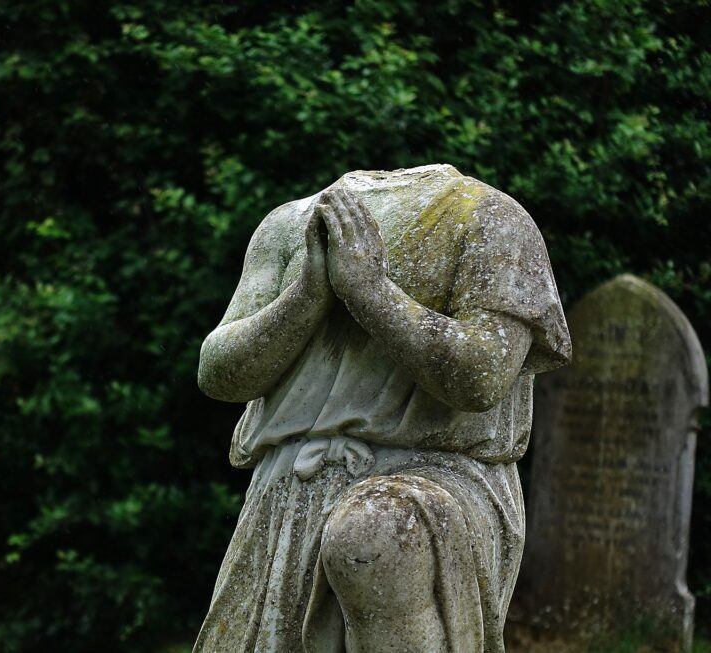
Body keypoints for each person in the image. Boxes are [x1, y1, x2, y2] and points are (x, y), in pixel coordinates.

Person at [193, 164, 571, 652]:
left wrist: (371, 292)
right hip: (288, 492)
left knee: (376, 533)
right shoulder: (291, 224)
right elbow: (218, 374)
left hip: (430, 478)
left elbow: (482, 377)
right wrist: (308, 295)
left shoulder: (489, 217)